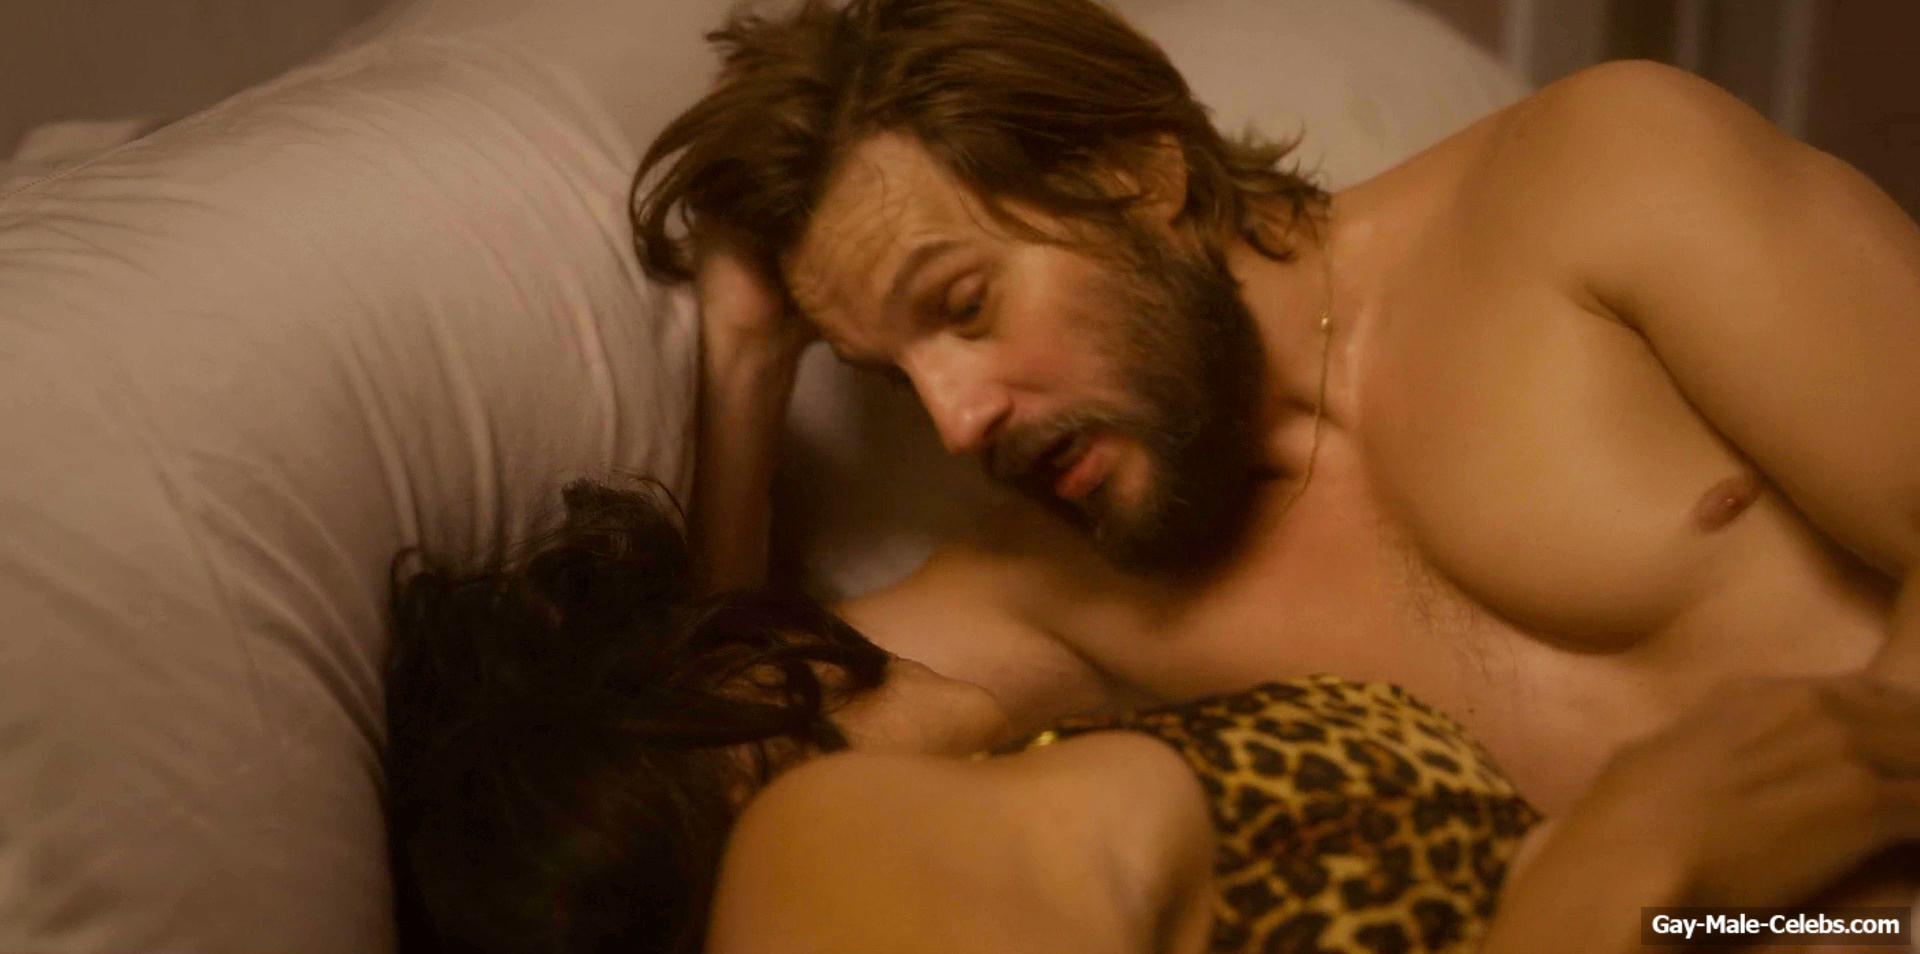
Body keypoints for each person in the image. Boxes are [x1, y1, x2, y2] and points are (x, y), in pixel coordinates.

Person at [630, 0, 1920, 824]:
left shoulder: (1596, 175)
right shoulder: (1059, 587)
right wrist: (744, 369)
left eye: (962, 305)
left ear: (1135, 175)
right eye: (890, 380)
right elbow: (722, 780)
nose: (955, 420)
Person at [382, 478, 1920, 954]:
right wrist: (1629, 868)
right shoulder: (819, 842)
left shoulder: (1004, 782)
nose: (819, 629)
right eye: (745, 645)